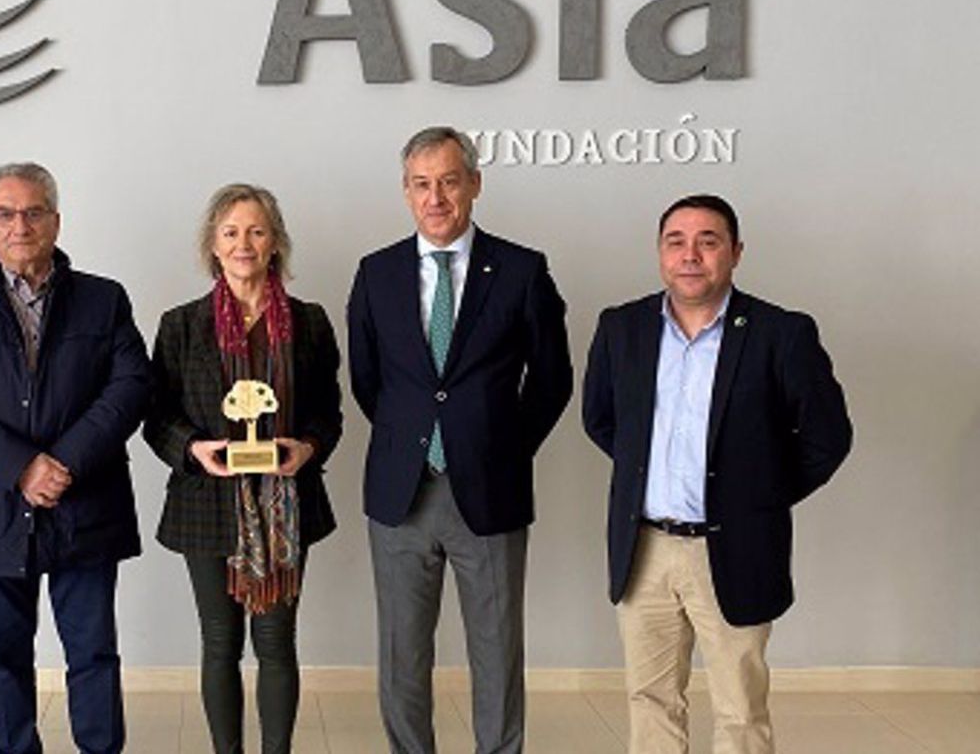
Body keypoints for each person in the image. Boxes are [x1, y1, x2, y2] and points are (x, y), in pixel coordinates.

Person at [582, 194, 852, 753]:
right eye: (676, 242)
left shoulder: (781, 333)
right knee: (650, 699)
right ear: (660, 253)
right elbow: (603, 420)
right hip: (644, 547)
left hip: (734, 547)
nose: (691, 255)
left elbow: (827, 438)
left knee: (740, 709)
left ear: (735, 253)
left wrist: (757, 495)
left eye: (708, 242)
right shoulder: (622, 328)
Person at [347, 126, 573, 754]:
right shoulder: (376, 274)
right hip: (401, 493)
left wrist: (500, 446)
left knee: (497, 653)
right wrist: (414, 441)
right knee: (402, 657)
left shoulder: (523, 270)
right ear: (406, 192)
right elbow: (369, 383)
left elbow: (552, 378)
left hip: (490, 491)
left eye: (449, 181)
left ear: (474, 184)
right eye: (422, 184)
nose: (436, 197)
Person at [0, 162, 151, 754]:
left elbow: (130, 387)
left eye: (33, 212)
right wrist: (21, 467)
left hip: (86, 503)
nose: (21, 225)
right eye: (5, 213)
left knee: (93, 654)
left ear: (56, 220)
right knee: (3, 658)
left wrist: (62, 461)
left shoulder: (104, 299)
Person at [144, 184, 342, 754]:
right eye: (231, 232)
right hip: (206, 504)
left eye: (256, 231)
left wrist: (307, 448)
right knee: (219, 641)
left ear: (275, 241)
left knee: (277, 641)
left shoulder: (309, 323)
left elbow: (329, 413)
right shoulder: (181, 325)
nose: (244, 243)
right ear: (212, 243)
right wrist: (194, 449)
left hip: (287, 506)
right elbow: (156, 417)